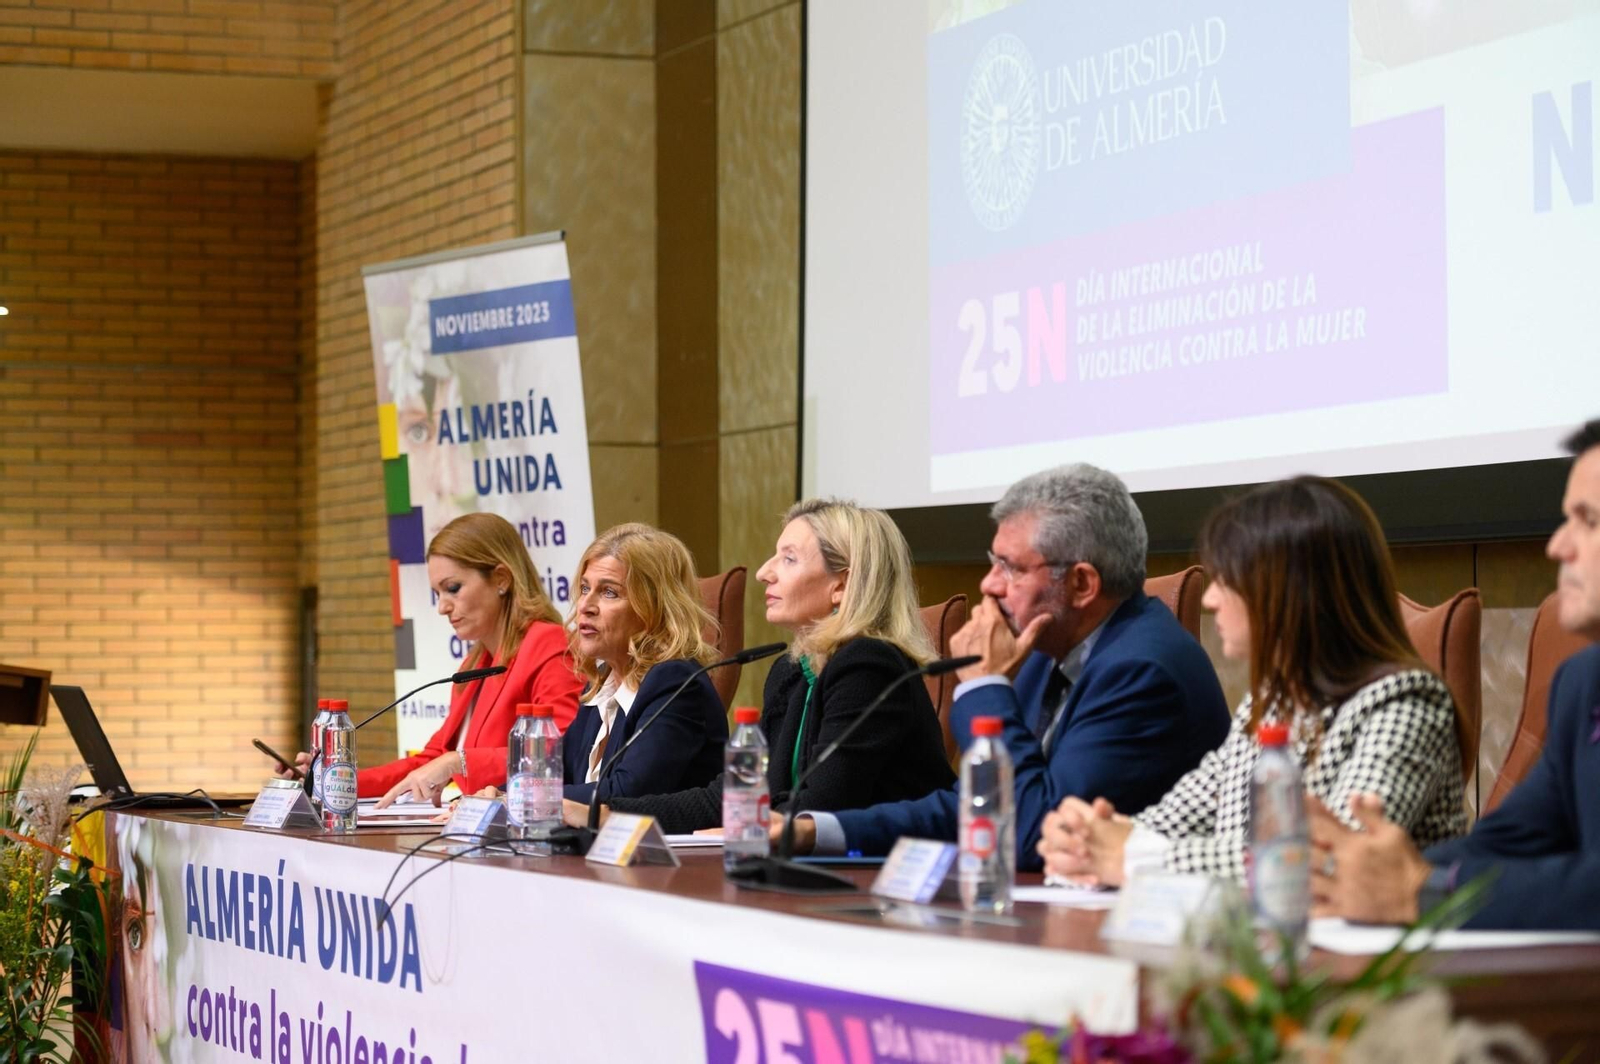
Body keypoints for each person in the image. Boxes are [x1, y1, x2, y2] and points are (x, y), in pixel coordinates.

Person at [785, 464, 1230, 868]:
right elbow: (973, 804)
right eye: (992, 562)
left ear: (1081, 583)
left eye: (1011, 568)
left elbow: (1031, 833)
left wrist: (984, 688)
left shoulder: (1142, 670)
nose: (989, 584)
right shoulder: (1044, 650)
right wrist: (811, 831)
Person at [1037, 476, 1467, 887]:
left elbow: (1326, 862)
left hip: (1378, 960)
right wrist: (1087, 841)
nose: (1209, 598)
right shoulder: (1272, 702)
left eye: (1225, 580)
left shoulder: (1406, 703)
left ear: (1287, 591)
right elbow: (1176, 815)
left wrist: (1133, 858)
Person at [1310, 421, 1600, 930]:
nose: (1558, 546)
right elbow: (1507, 840)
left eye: (1588, 521)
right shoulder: (1583, 681)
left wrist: (1424, 892)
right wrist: (1370, 867)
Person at [583, 498, 955, 832]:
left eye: (788, 559)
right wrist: (604, 814)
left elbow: (821, 807)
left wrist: (743, 819)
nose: (764, 572)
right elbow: (730, 796)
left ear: (841, 585)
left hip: (879, 888)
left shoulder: (869, 666)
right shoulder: (790, 671)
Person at [275, 512, 584, 806]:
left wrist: (459, 762)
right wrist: (335, 780)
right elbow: (431, 759)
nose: (443, 607)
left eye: (453, 589)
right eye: (438, 593)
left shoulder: (549, 643)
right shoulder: (474, 665)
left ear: (501, 578)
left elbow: (557, 754)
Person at [560, 523, 728, 805]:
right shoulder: (603, 682)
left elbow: (626, 793)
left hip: (669, 849)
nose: (585, 606)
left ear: (653, 607)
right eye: (585, 588)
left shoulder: (677, 683)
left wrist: (525, 797)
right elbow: (556, 775)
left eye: (609, 592)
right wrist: (494, 795)